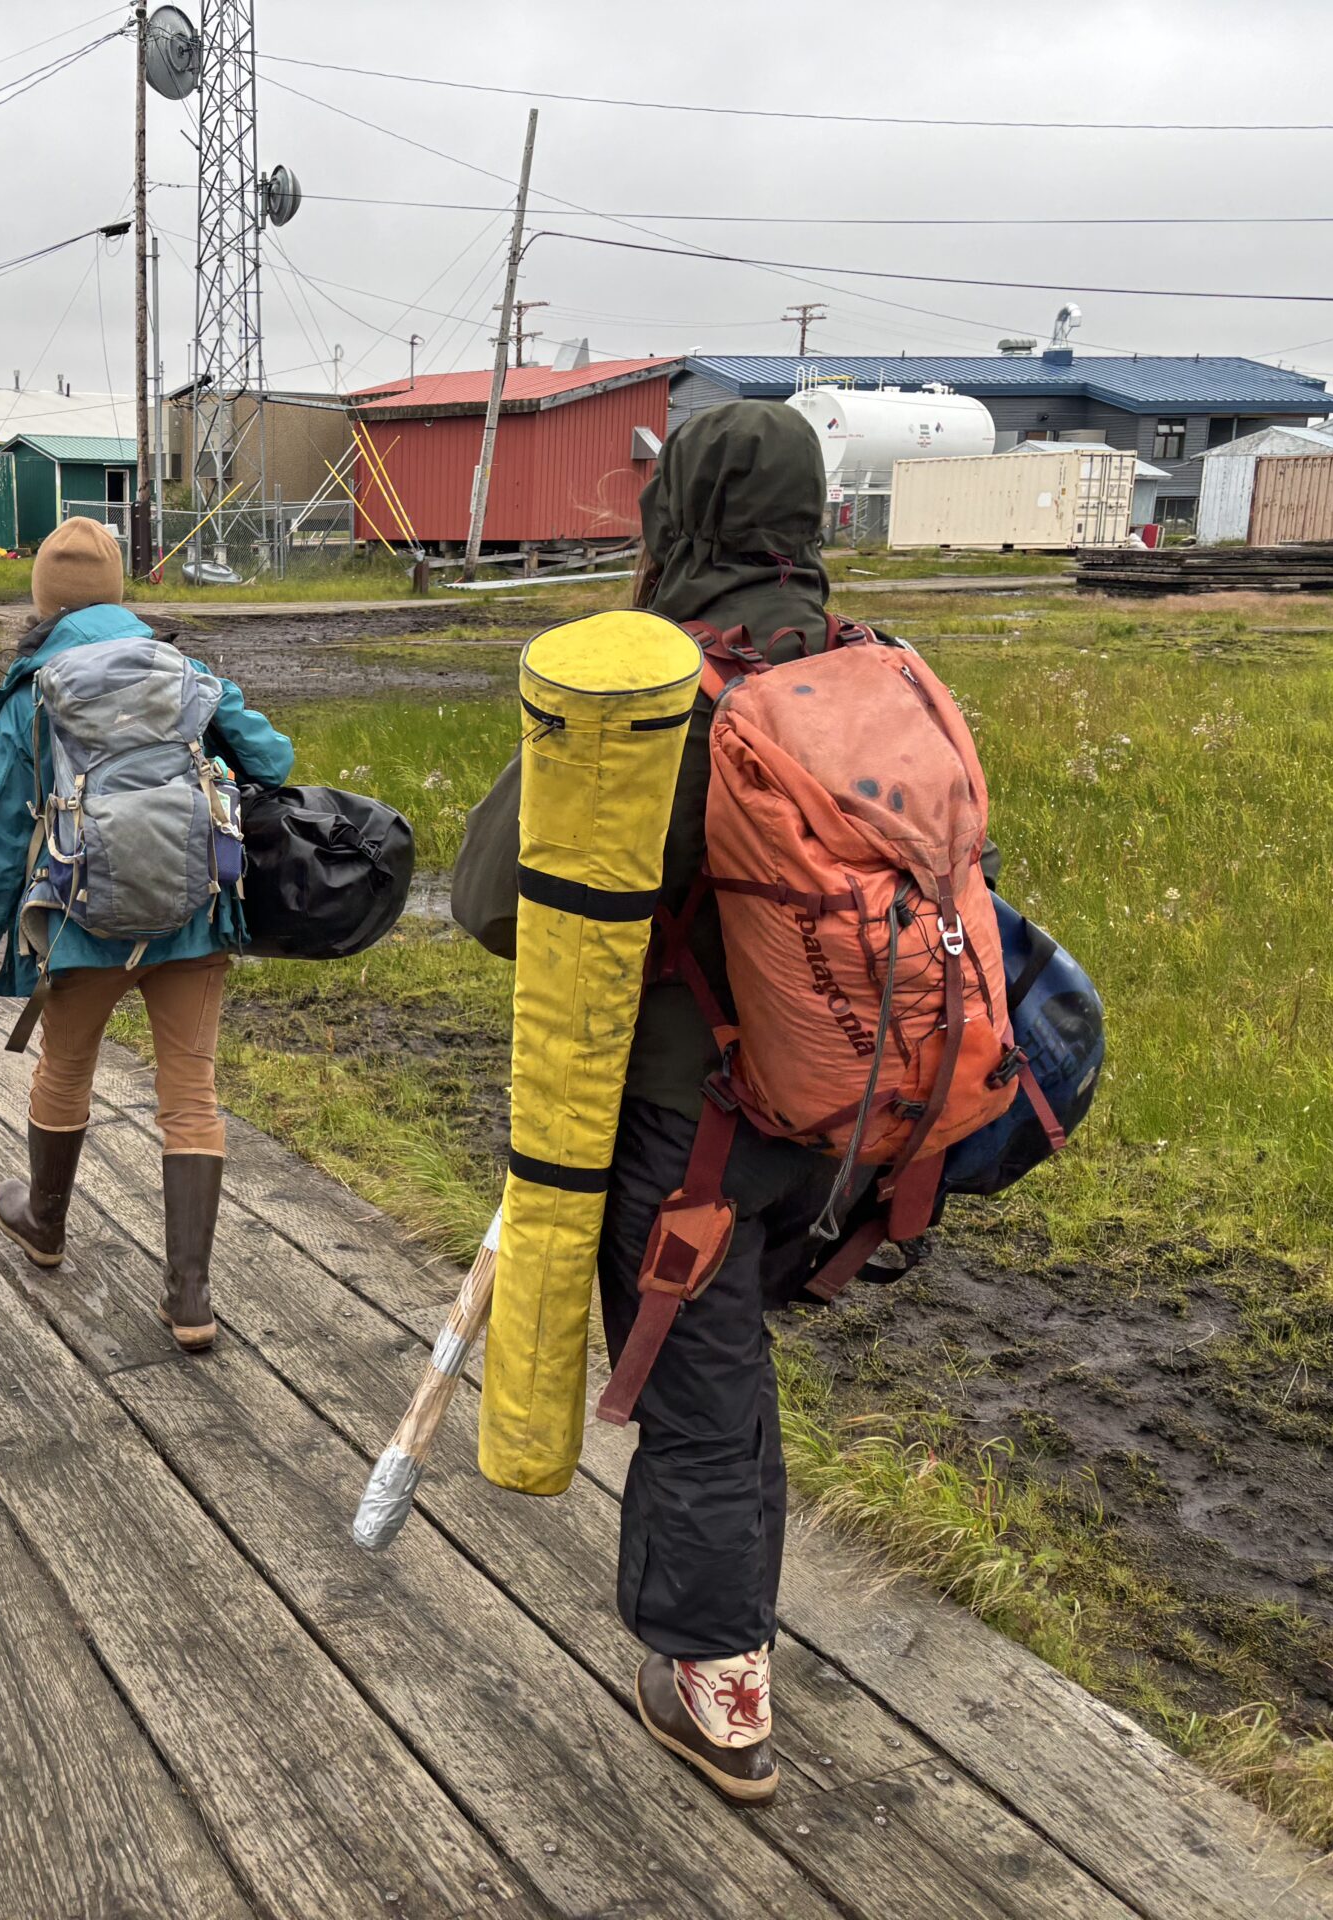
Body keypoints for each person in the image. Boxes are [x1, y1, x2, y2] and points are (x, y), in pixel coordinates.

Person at [452, 400, 845, 1803]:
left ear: (671, 515)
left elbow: (489, 900)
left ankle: (716, 1683)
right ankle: (736, 1618)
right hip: (834, 1124)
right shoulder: (861, 668)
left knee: (691, 1391)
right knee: (731, 1379)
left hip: (687, 1120)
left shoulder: (661, 693)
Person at [0, 517, 293, 1350]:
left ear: (43, 602)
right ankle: (190, 1298)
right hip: (193, 916)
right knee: (192, 1092)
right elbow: (273, 763)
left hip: (78, 923)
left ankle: (45, 1225)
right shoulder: (187, 671)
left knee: (65, 1072)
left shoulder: (33, 692)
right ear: (118, 594)